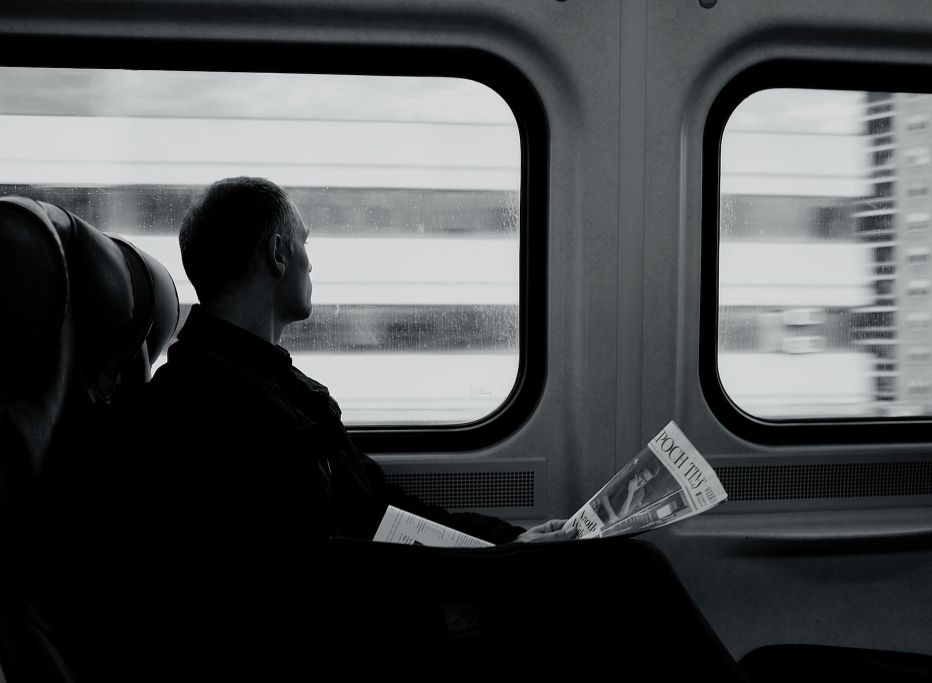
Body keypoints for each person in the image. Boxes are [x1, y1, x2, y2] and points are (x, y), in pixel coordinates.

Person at [94, 177, 574, 679]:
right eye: (304, 242)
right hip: (326, 640)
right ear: (279, 253)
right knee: (618, 584)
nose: (310, 262)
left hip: (360, 612)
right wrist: (440, 608)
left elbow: (378, 507)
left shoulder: (281, 386)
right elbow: (284, 579)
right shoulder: (200, 404)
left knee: (598, 571)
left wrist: (510, 545)